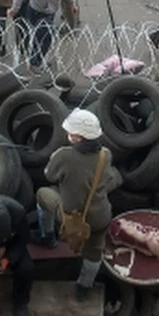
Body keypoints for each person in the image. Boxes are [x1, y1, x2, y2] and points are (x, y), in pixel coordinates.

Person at [35, 109, 123, 300]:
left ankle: (47, 236)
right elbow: (107, 177)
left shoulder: (64, 155)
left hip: (70, 216)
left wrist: (54, 158)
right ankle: (84, 287)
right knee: (94, 252)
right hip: (100, 216)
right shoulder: (105, 155)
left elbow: (49, 175)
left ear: (76, 137)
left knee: (43, 195)